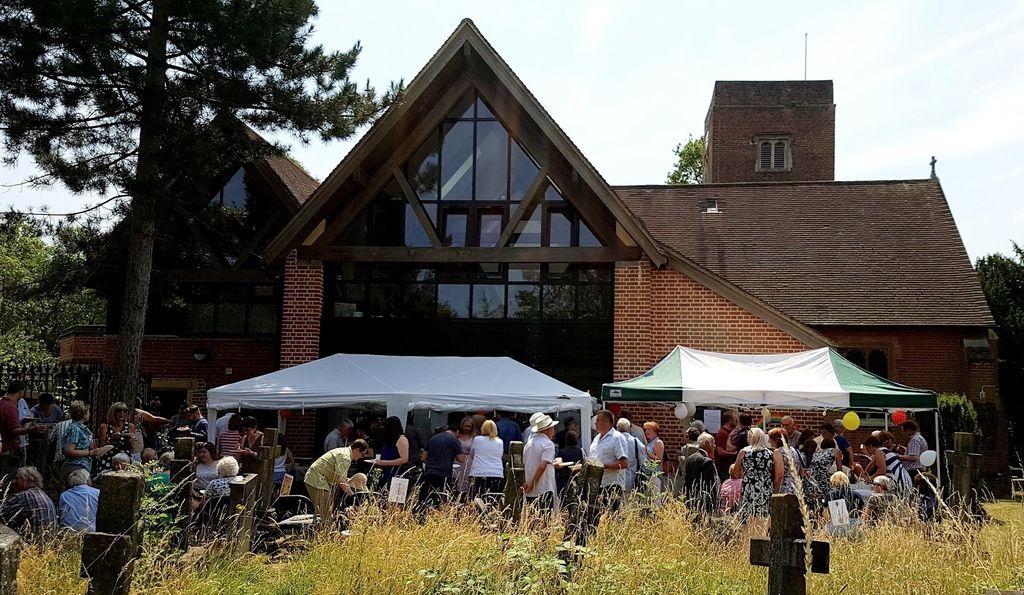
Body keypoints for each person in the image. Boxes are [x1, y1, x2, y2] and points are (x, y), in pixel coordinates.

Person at [304, 439, 371, 524]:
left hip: (319, 479)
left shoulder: (344, 453)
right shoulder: (345, 457)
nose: (362, 457)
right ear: (357, 449)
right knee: (326, 512)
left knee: (327, 509)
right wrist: (353, 495)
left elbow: (341, 477)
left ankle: (323, 532)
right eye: (362, 454)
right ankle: (325, 534)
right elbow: (340, 480)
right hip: (317, 479)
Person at [417, 427, 466, 515]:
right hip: (444, 473)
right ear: (457, 431)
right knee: (442, 498)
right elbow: (461, 459)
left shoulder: (433, 438)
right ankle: (439, 516)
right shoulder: (454, 440)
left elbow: (423, 458)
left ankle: (426, 515)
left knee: (429, 497)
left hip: (429, 472)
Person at [589, 409, 628, 514]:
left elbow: (624, 463)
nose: (595, 423)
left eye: (598, 420)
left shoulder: (617, 438)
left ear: (607, 422)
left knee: (611, 516)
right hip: (597, 484)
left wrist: (602, 466)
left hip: (611, 485)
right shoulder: (596, 438)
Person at [0, 466, 55, 537]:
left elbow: (2, 512)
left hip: (34, 542)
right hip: (50, 542)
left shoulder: (24, 495)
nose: (14, 481)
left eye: (17, 479)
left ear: (29, 480)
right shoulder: (43, 494)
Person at [522, 414, 558, 513]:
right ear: (548, 430)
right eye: (553, 428)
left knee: (532, 521)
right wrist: (533, 483)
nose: (554, 431)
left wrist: (529, 483)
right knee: (545, 520)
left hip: (530, 488)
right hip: (543, 487)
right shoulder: (548, 444)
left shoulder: (529, 444)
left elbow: (528, 464)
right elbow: (542, 466)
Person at [735, 427, 773, 522]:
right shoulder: (770, 454)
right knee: (763, 517)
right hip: (765, 488)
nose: (747, 439)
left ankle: (748, 536)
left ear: (752, 438)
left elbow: (735, 471)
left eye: (748, 437)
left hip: (749, 487)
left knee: (748, 517)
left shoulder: (744, 452)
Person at [1, 382, 35, 478]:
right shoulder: (10, 407)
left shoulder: (2, 403)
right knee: (8, 476)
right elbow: (13, 430)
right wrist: (31, 429)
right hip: (8, 446)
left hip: (4, 445)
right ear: (20, 392)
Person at [684, 432, 720, 518]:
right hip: (703, 504)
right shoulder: (707, 461)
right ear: (707, 443)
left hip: (690, 500)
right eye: (713, 443)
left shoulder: (690, 458)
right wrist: (714, 505)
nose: (714, 446)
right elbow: (709, 486)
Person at [61, 401, 99, 481]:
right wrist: (90, 453)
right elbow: (69, 450)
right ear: (84, 414)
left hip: (83, 466)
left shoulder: (83, 428)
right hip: (76, 466)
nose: (89, 414)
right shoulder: (75, 429)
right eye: (88, 412)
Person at [96, 402, 136, 474]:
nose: (122, 413)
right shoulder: (104, 427)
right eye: (118, 411)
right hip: (107, 458)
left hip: (124, 459)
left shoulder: (130, 426)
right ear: (113, 412)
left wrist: (130, 439)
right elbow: (101, 446)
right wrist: (111, 439)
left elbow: (133, 447)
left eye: (124, 411)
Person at [468, 420, 505, 498]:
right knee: (493, 500)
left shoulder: (477, 439)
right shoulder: (500, 441)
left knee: (475, 498)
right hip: (496, 473)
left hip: (478, 473)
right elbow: (500, 455)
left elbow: (471, 454)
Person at [375, 416, 411, 488]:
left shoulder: (402, 439)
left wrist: (386, 463)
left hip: (396, 473)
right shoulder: (388, 440)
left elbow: (404, 459)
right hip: (385, 472)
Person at [807, 438, 842, 509]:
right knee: (829, 497)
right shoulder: (835, 451)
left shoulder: (817, 452)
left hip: (811, 476)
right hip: (822, 477)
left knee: (815, 499)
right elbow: (839, 469)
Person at [616, 418, 645, 492]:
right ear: (629, 428)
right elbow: (643, 459)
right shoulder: (635, 441)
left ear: (617, 427)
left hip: (615, 477)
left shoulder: (613, 440)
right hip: (631, 477)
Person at [555, 430, 584, 498]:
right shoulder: (580, 451)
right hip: (576, 479)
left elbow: (558, 466)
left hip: (563, 480)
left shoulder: (562, 452)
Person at [640, 421, 665, 494]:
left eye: (649, 429)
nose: (647, 431)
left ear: (655, 431)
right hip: (648, 475)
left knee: (655, 500)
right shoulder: (649, 442)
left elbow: (659, 460)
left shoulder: (658, 442)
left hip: (655, 475)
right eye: (646, 429)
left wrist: (648, 454)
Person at [714, 411, 738, 478]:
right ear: (730, 420)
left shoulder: (730, 432)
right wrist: (734, 454)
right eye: (735, 419)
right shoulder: (722, 433)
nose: (736, 421)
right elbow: (720, 451)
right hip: (724, 468)